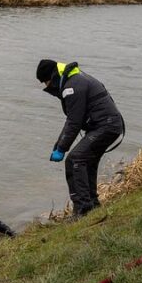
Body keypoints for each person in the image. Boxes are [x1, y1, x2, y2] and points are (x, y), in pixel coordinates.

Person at [37, 59, 124, 218]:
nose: (46, 86)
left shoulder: (72, 87)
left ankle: (83, 209)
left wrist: (62, 149)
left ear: (52, 76)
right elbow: (72, 119)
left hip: (105, 127)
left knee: (75, 160)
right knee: (86, 162)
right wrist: (58, 145)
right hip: (108, 125)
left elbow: (74, 122)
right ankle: (92, 205)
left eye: (46, 81)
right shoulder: (74, 79)